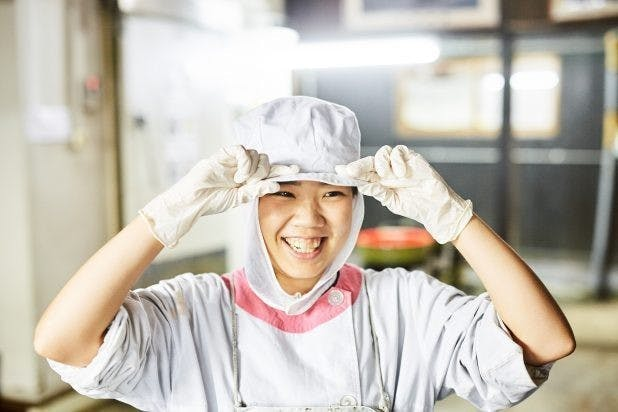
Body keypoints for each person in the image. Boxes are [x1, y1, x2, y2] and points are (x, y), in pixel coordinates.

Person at [34, 96, 575, 411]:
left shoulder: (402, 306)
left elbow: (547, 341)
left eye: (333, 194)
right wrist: (163, 217)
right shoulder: (194, 312)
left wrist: (457, 220)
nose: (310, 220)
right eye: (284, 193)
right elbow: (63, 340)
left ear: (357, 203)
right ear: (247, 201)